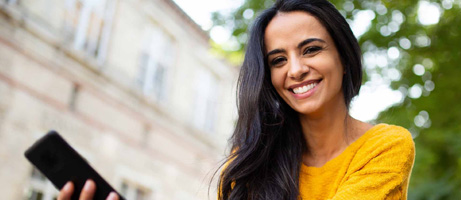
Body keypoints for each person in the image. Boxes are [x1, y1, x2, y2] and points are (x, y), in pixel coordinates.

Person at [58, 0, 414, 199]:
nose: (295, 69)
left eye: (311, 49)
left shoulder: (386, 146)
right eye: (277, 60)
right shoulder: (252, 160)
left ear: (343, 55)